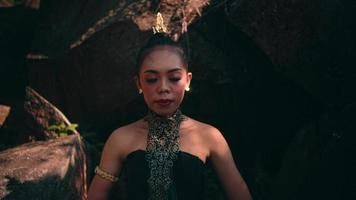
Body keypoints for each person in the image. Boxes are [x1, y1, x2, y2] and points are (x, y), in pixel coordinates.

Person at [88, 13, 252, 200]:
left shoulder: (210, 137)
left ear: (188, 81)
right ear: (139, 84)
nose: (163, 88)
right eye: (151, 79)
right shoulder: (120, 139)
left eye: (174, 78)